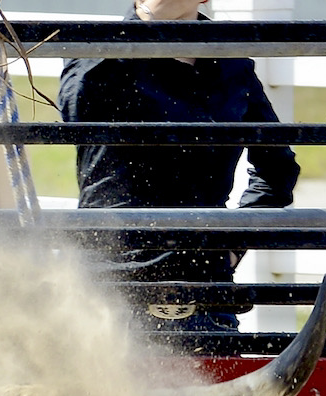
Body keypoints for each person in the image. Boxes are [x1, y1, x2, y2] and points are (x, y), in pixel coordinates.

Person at [57, 0, 300, 332]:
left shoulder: (232, 64)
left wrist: (231, 247)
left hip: (203, 290)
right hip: (107, 288)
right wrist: (147, 24)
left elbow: (278, 170)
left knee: (220, 378)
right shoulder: (99, 45)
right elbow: (76, 111)